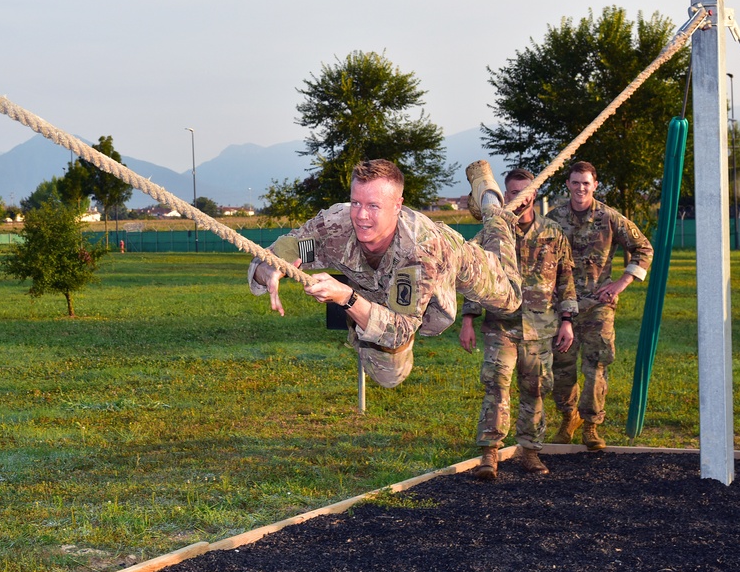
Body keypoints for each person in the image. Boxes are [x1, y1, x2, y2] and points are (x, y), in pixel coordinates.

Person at [247, 158, 522, 389]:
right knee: (389, 376)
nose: (361, 216)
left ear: (397, 205)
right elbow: (289, 245)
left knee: (511, 298)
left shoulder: (420, 250)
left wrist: (346, 298)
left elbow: (400, 330)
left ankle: (488, 200)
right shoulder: (335, 224)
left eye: (373, 206)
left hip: (452, 258)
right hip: (386, 286)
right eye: (356, 203)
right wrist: (271, 266)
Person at [459, 169, 577, 479]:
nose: (519, 199)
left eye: (525, 193)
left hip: (541, 329)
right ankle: (489, 454)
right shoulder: (494, 233)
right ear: (506, 196)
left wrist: (567, 321)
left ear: (534, 195)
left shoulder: (553, 233)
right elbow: (476, 276)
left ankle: (530, 452)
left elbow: (566, 279)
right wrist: (468, 319)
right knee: (496, 387)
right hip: (501, 325)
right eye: (513, 193)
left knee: (535, 389)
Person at [546, 160, 654, 450]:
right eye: (575, 182)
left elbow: (643, 248)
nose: (581, 188)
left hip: (598, 307)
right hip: (562, 308)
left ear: (595, 185)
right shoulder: (553, 219)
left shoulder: (609, 217)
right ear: (567, 184)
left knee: (596, 367)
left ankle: (591, 425)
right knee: (562, 368)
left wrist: (621, 283)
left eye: (586, 183)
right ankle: (569, 418)